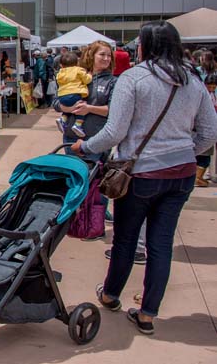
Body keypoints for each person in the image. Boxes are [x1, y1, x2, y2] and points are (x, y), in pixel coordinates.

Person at [72, 21, 217, 336]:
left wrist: (85, 145)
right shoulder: (192, 80)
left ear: (144, 47)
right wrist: (182, 150)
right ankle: (148, 313)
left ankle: (110, 295)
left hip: (140, 175)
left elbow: (114, 131)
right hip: (181, 174)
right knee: (160, 243)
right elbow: (209, 134)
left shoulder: (134, 79)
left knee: (125, 238)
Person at [53, 40, 117, 240]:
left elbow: (115, 110)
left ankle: (93, 224)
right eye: (102, 55)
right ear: (91, 55)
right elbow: (56, 102)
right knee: (76, 179)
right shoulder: (77, 75)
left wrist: (90, 109)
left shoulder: (112, 82)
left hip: (97, 140)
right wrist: (67, 108)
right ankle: (76, 219)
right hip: (71, 139)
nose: (106, 59)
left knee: (96, 183)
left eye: (109, 56)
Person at [54, 51, 92, 137]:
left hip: (62, 96)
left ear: (61, 65)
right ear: (77, 62)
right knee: (81, 108)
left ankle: (63, 119)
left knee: (68, 108)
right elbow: (87, 80)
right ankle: (78, 124)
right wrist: (89, 75)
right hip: (75, 94)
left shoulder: (60, 72)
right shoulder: (78, 70)